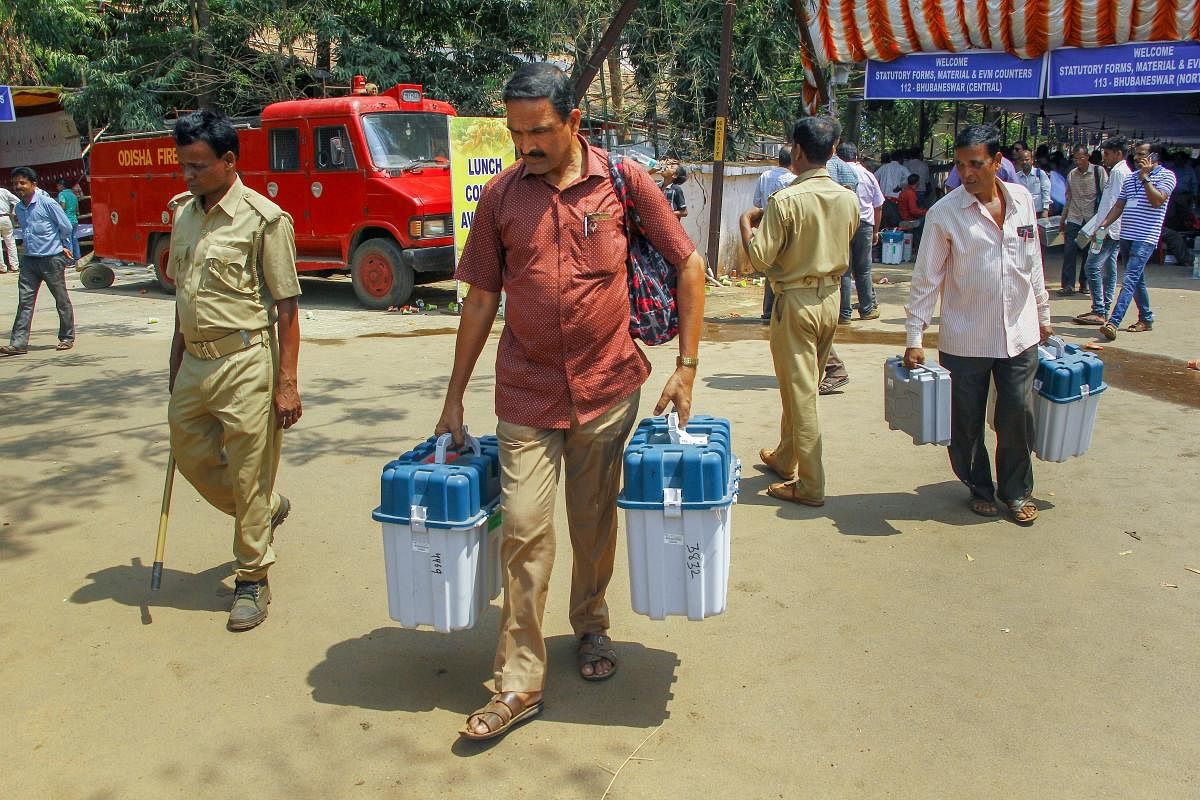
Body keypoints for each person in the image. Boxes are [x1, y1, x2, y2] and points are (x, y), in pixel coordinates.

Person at [437, 63, 705, 742]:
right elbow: (480, 298)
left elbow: (689, 265)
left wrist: (687, 368)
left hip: (609, 387)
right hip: (526, 392)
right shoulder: (501, 197)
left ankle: (590, 625)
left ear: (574, 122)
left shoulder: (623, 181)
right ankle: (520, 680)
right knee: (525, 529)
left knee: (591, 526)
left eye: (541, 132)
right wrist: (453, 398)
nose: (527, 145)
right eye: (516, 132)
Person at [165, 109, 302, 631]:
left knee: (248, 473)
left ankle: (251, 579)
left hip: (246, 361)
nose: (189, 175)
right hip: (195, 362)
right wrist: (176, 361)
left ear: (228, 161)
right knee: (190, 452)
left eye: (198, 166)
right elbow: (183, 296)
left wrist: (287, 383)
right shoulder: (182, 214)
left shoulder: (264, 219)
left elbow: (286, 309)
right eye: (184, 166)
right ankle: (265, 509)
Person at [903, 124, 1053, 526]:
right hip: (966, 338)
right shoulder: (944, 214)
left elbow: (1033, 262)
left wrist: (1043, 315)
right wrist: (914, 336)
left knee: (1017, 414)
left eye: (975, 164)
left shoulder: (1021, 200)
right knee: (966, 422)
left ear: (996, 162)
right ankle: (979, 486)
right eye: (960, 164)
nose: (966, 173)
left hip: (1020, 333)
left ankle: (1017, 491)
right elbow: (926, 280)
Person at [744, 116, 858, 507]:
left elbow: (760, 259)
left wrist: (747, 224)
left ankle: (810, 484)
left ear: (796, 150)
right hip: (832, 300)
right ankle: (785, 457)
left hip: (795, 301)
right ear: (835, 147)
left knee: (802, 392)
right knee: (802, 386)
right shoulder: (847, 197)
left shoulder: (785, 200)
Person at [1095, 142, 1176, 340]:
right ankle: (1146, 318)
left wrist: (1146, 178)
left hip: (1145, 236)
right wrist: (1103, 225)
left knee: (1130, 278)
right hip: (1127, 234)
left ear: (1154, 157)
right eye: (1136, 154)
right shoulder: (1130, 178)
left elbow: (1157, 201)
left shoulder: (1167, 176)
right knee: (1137, 279)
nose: (1137, 158)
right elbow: (1119, 205)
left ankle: (1113, 322)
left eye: (1142, 154)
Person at [1, 167, 76, 357]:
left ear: (33, 184)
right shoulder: (19, 207)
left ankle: (66, 338)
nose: (19, 187)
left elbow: (66, 226)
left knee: (61, 299)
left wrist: (63, 245)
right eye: (16, 183)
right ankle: (18, 344)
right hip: (29, 261)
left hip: (52, 259)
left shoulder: (47, 203)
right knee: (25, 302)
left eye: (23, 183)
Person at [1072, 137, 1133, 325]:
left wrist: (1102, 227)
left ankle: (1099, 309)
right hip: (1109, 227)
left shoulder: (1118, 174)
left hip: (1107, 229)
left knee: (1092, 265)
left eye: (1107, 154)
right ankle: (1103, 308)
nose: (1103, 158)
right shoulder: (1119, 172)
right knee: (1109, 267)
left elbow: (1116, 204)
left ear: (1118, 154)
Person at [838, 141, 881, 325]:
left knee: (844, 271)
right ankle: (867, 309)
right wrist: (875, 231)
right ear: (856, 156)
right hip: (864, 224)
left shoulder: (835, 174)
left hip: (843, 224)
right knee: (863, 269)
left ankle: (844, 313)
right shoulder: (868, 175)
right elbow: (878, 206)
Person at [753, 146, 796, 321]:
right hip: (789, 229)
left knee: (771, 269)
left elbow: (757, 203)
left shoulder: (765, 176)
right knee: (789, 269)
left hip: (767, 227)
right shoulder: (795, 179)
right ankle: (785, 311)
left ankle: (769, 311)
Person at [1059, 146, 1107, 296]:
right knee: (1069, 251)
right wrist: (1063, 218)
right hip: (1074, 217)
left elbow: (1106, 196)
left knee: (1088, 252)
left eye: (1081, 158)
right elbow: (1069, 197)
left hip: (1091, 219)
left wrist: (1103, 220)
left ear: (1088, 157)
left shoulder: (1098, 172)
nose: (1078, 161)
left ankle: (1084, 283)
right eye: (1075, 158)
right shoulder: (1072, 175)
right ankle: (1068, 285)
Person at [1161, 188, 1197, 269]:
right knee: (1174, 236)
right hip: (1147, 227)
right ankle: (1186, 260)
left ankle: (1187, 258)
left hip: (1147, 225)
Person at [1014, 149, 1051, 221]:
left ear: (1032, 160)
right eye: (1022, 160)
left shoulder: (1040, 174)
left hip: (1038, 213)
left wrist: (1045, 210)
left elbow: (1046, 192)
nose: (1024, 162)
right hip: (1023, 214)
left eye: (1027, 159)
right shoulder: (1016, 177)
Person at [55, 178, 81, 261]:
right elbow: (77, 210)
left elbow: (62, 207)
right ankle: (77, 258)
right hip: (74, 220)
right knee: (74, 238)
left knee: (67, 240)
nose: (57, 187)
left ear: (61, 185)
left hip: (66, 220)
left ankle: (70, 260)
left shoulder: (61, 194)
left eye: (58, 185)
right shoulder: (73, 195)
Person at [0, 185, 19, 272]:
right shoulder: (4, 191)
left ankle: (2, 268)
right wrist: (13, 212)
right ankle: (14, 266)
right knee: (10, 243)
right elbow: (17, 201)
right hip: (5, 217)